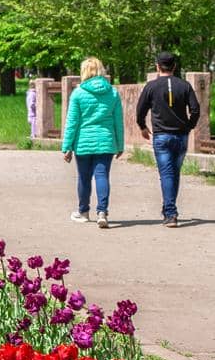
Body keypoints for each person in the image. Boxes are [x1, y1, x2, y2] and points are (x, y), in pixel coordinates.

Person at [136, 52, 202, 228]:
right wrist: (189, 126)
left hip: (161, 136)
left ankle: (171, 214)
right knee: (174, 172)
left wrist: (142, 126)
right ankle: (169, 210)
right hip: (181, 136)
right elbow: (195, 109)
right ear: (174, 67)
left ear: (158, 66)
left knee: (167, 173)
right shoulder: (185, 86)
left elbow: (140, 110)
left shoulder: (151, 86)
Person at [62, 56, 124, 228]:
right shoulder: (112, 92)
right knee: (102, 176)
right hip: (106, 142)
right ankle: (102, 212)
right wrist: (120, 145)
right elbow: (118, 121)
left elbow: (72, 122)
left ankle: (83, 211)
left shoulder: (78, 93)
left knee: (84, 177)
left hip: (83, 143)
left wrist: (66, 146)